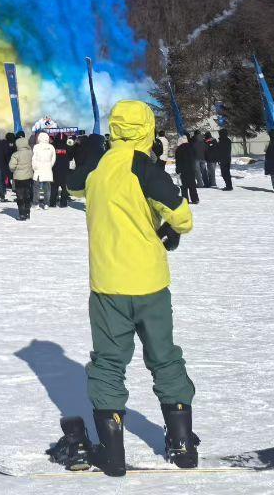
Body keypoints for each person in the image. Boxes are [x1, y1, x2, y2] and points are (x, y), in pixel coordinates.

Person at [68, 100, 197, 476]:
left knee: (108, 363)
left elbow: (74, 187)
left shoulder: (99, 166)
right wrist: (167, 227)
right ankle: (183, 445)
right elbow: (183, 218)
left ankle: (112, 453)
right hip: (150, 281)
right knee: (165, 358)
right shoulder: (145, 166)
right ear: (148, 129)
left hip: (108, 283)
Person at [9, 134, 34, 220]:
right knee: (27, 195)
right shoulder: (30, 153)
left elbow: (11, 166)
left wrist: (14, 171)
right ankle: (27, 213)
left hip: (18, 178)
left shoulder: (15, 154)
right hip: (28, 177)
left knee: (20, 196)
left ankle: (22, 214)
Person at [32, 132, 57, 209]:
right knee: (47, 188)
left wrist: (34, 167)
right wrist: (50, 165)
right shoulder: (51, 147)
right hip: (47, 169)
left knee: (36, 188)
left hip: (38, 169)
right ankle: (46, 204)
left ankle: (36, 204)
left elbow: (33, 158)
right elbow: (53, 159)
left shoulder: (36, 147)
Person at [173, 136, 201, 206]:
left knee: (184, 186)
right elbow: (195, 156)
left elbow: (178, 161)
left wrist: (177, 170)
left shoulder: (179, 149)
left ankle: (185, 199)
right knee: (192, 184)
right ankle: (195, 199)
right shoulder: (191, 147)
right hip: (191, 168)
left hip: (183, 169)